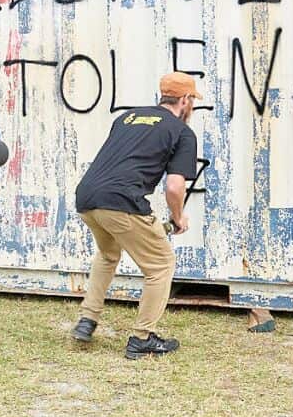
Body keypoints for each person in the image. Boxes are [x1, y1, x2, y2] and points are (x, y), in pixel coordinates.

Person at [70, 72, 199, 359]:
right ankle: (142, 338)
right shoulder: (181, 132)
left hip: (88, 197)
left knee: (107, 254)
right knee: (161, 265)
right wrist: (178, 217)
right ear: (185, 100)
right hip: (121, 202)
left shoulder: (127, 118)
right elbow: (175, 187)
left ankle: (87, 320)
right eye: (191, 101)